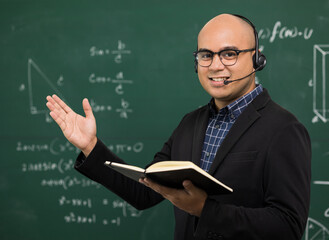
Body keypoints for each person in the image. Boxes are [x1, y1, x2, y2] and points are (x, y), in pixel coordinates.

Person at [46, 13, 311, 240]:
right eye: (206, 55)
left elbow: (288, 226)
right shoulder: (190, 123)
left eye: (229, 54)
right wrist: (91, 146)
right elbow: (145, 191)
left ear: (256, 58)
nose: (216, 66)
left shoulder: (284, 129)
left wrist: (205, 209)